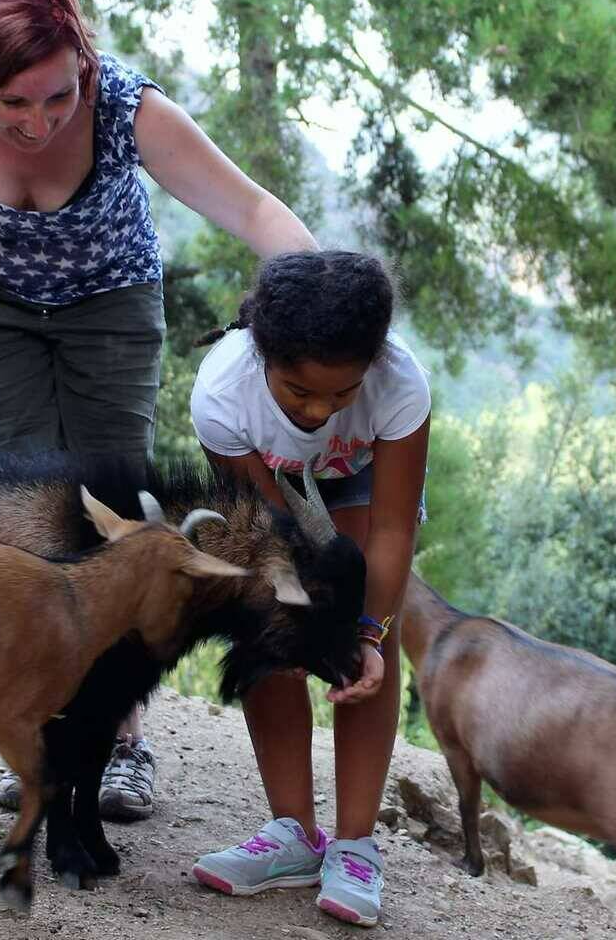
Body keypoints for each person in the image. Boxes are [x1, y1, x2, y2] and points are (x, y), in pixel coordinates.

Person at [0, 0, 317, 818]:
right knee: (14, 515)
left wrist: (319, 311)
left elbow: (258, 214)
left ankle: (119, 739)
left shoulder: (127, 106)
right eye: (13, 104)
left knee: (113, 513)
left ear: (83, 64)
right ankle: (37, 726)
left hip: (109, 306)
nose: (39, 122)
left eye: (57, 96)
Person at [186, 250, 429, 927]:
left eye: (342, 393)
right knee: (271, 621)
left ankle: (354, 846)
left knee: (365, 645)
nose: (321, 409)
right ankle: (292, 833)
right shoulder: (222, 397)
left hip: (362, 481)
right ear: (263, 357)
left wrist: (367, 633)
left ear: (372, 366)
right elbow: (275, 535)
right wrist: (299, 619)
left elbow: (390, 530)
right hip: (275, 487)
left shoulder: (400, 383)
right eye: (299, 393)